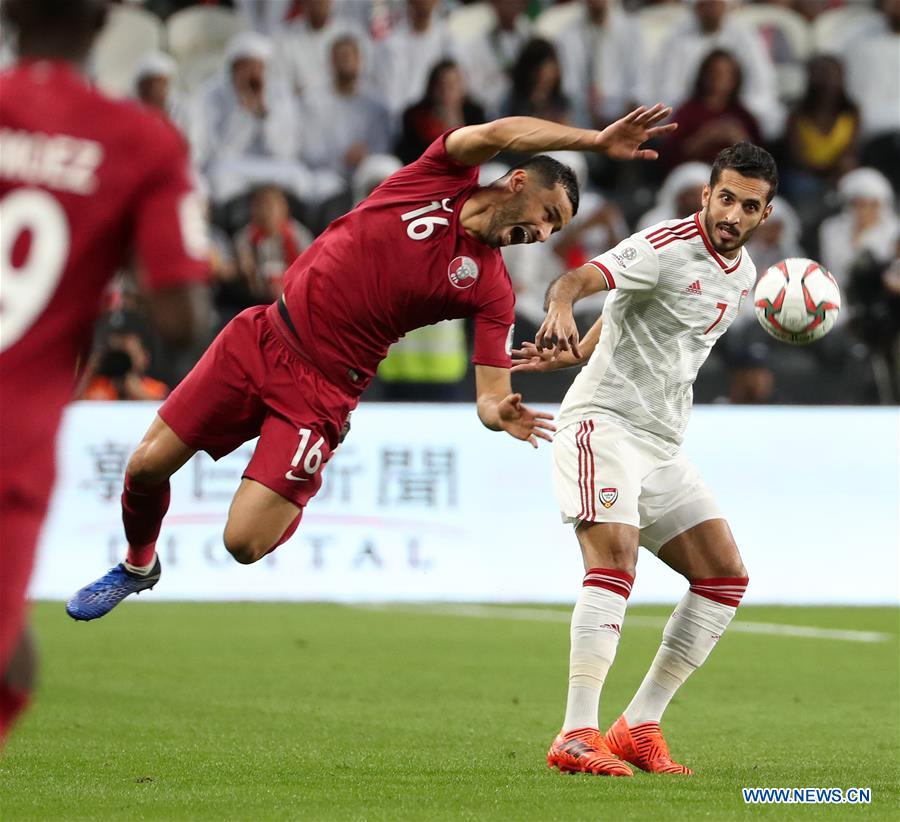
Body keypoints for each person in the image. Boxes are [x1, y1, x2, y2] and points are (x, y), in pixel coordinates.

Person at [66, 105, 677, 624]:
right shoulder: (437, 174)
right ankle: (138, 565)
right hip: (261, 336)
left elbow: (490, 387)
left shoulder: (489, 287)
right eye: (548, 214)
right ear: (517, 181)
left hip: (323, 391)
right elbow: (499, 132)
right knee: (146, 468)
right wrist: (594, 140)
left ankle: (308, 471)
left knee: (243, 544)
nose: (544, 232)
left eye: (557, 229)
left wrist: (499, 412)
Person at [512, 142, 776, 775]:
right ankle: (577, 732)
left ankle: (639, 725)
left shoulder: (742, 275)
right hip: (602, 425)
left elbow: (625, 309)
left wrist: (579, 348)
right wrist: (557, 311)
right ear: (705, 195)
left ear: (764, 215)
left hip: (661, 443)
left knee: (723, 577)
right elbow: (579, 282)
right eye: (726, 198)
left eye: (749, 205)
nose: (733, 215)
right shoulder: (665, 243)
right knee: (615, 564)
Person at [0, 0, 209, 743]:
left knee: (12, 663)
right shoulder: (138, 143)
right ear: (101, 22)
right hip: (10, 446)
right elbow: (183, 315)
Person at [665, 49, 761, 169]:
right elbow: (669, 155)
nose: (719, 78)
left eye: (726, 73)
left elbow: (760, 163)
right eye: (714, 72)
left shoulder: (743, 115)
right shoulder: (687, 112)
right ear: (703, 75)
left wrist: (740, 140)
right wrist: (705, 138)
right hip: (695, 173)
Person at [395, 59, 486, 166]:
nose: (446, 91)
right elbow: (408, 153)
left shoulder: (475, 113)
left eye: (451, 86)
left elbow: (483, 149)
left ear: (462, 87)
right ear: (431, 87)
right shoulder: (415, 115)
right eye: (441, 85)